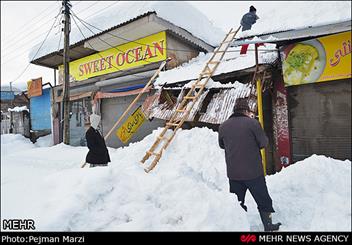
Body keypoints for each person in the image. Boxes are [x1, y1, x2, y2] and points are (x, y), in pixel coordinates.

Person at [218, 98, 281, 232]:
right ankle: (268, 226)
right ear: (246, 110)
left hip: (234, 174)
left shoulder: (223, 126)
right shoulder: (253, 123)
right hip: (253, 173)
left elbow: (221, 145)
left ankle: (237, 227)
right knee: (263, 200)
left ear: (234, 110)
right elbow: (263, 143)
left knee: (237, 203)